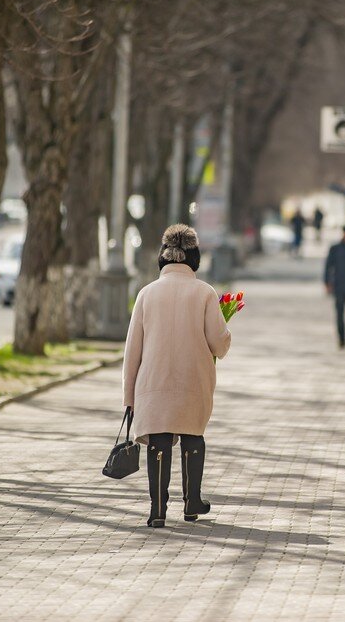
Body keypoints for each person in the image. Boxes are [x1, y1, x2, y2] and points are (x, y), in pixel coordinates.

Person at [122, 224, 232, 528]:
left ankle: (157, 509)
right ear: (194, 258)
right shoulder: (205, 293)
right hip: (192, 381)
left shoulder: (146, 294)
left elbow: (132, 351)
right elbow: (219, 344)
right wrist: (226, 333)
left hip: (152, 383)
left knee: (158, 440)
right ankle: (191, 502)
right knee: (192, 436)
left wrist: (129, 397)